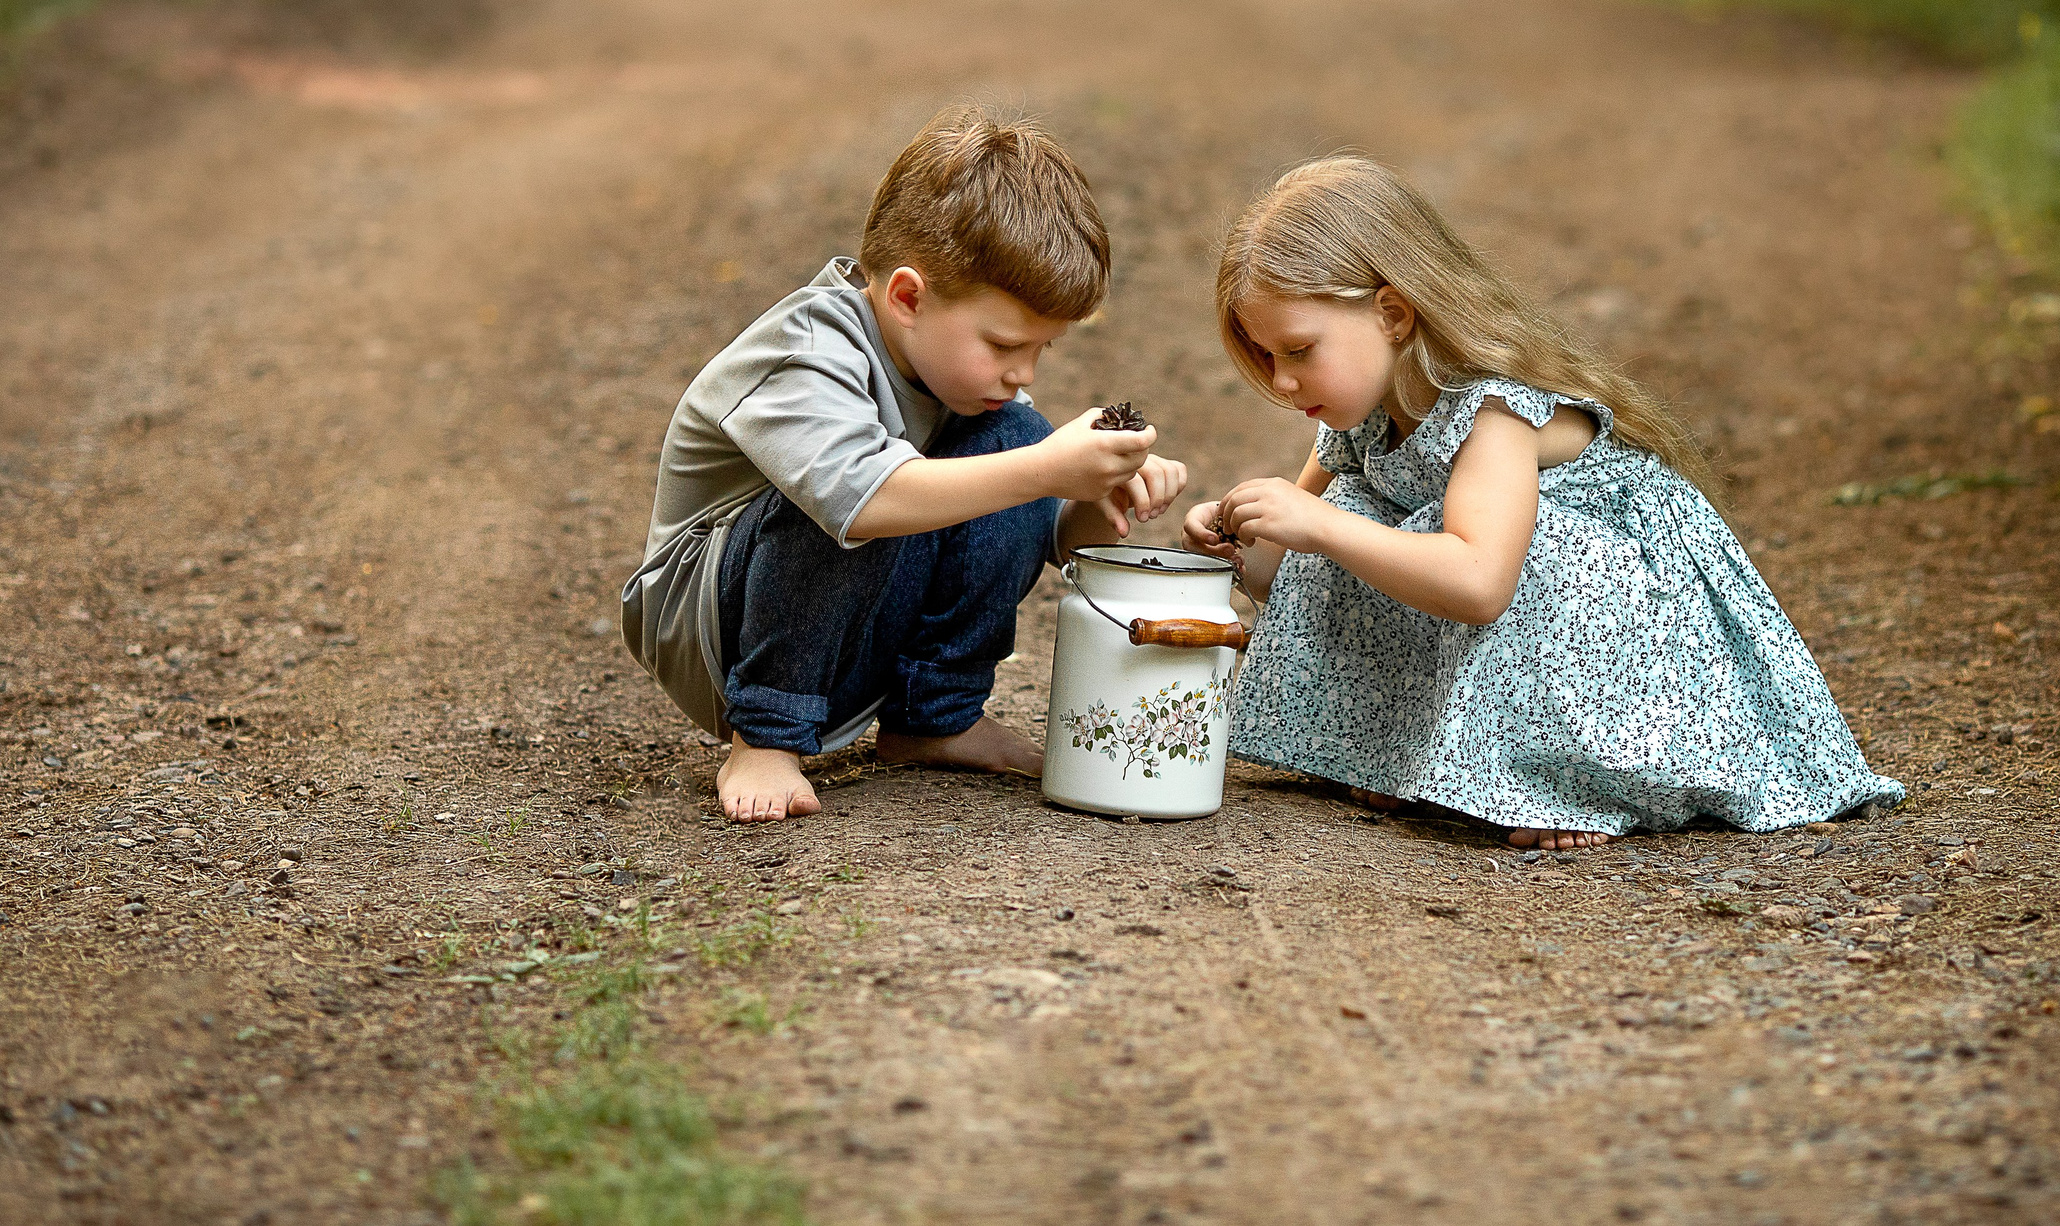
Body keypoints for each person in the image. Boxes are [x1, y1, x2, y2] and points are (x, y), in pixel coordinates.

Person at [1183, 155, 1900, 850]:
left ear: (1393, 314)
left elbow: (1480, 584)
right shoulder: (1358, 418)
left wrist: (1321, 525)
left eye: (1299, 351)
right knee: (1356, 518)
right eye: (1265, 356)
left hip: (1634, 638)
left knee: (1449, 537)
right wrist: (1243, 543)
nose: (1280, 381)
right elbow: (1300, 575)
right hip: (1514, 600)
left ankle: (1572, 779)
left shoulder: (1496, 412)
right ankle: (1406, 754)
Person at [624, 109, 1186, 823]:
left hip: (850, 618)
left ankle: (933, 718)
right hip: (713, 630)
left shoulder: (956, 378)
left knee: (1011, 436)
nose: (1023, 371)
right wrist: (1046, 467)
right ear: (909, 298)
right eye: (1005, 343)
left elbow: (1049, 541)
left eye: (1041, 351)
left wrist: (1094, 494)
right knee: (872, 486)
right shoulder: (805, 353)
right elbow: (864, 501)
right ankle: (763, 737)